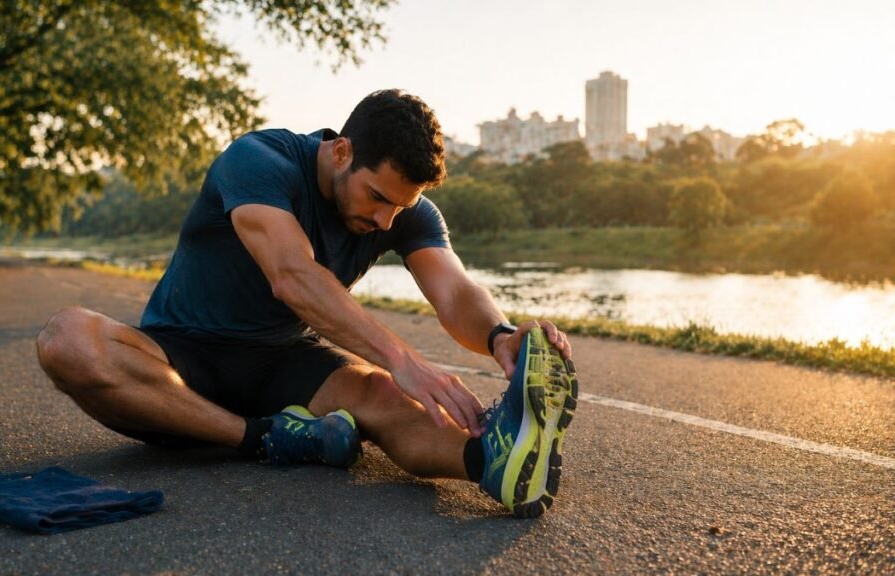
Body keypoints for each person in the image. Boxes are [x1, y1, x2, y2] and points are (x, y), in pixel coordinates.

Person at [36, 89, 578, 518]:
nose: (386, 220)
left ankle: (493, 460)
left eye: (402, 206)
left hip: (283, 361)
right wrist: (405, 359)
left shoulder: (405, 212)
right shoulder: (260, 161)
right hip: (181, 362)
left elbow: (455, 292)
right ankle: (268, 437)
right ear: (341, 150)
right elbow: (292, 275)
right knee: (69, 341)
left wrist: (500, 335)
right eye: (378, 198)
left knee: (383, 393)